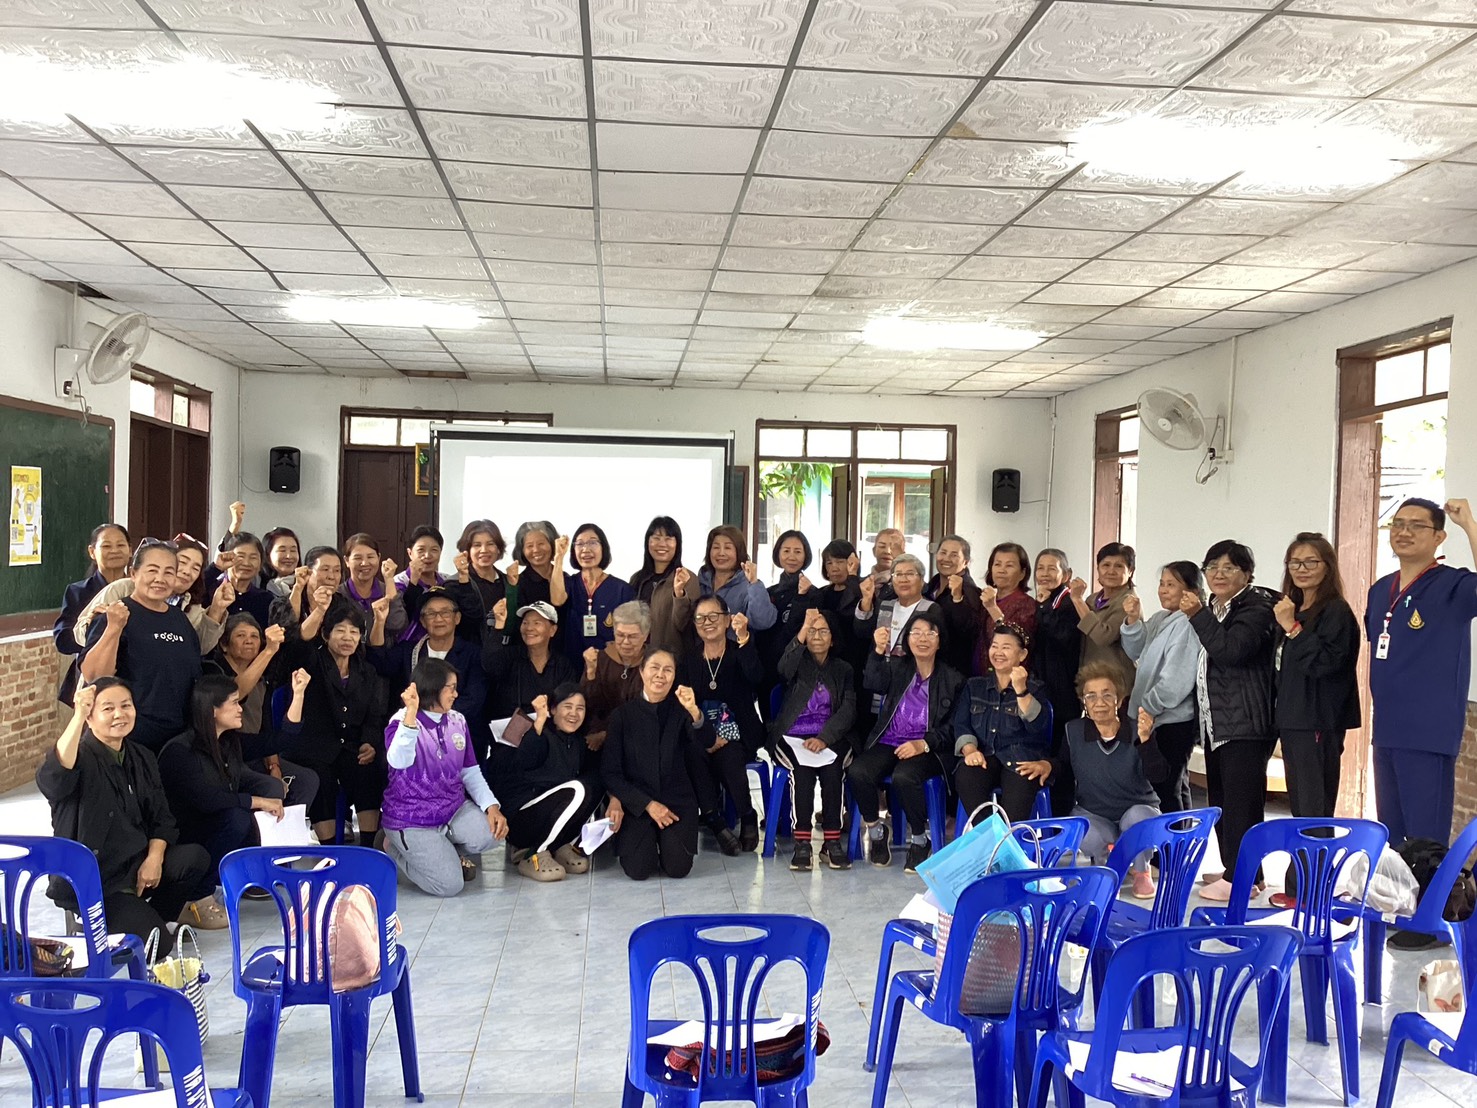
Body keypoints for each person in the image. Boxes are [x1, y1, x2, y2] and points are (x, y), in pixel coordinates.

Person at [37, 680, 213, 953]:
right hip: (97, 880)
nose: (119, 714)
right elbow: (53, 779)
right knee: (158, 947)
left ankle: (154, 916)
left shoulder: (141, 756)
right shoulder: (79, 756)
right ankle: (101, 922)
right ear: (91, 717)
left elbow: (161, 818)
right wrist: (77, 716)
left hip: (135, 864)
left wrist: (154, 859)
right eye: (108, 708)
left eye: (126, 706)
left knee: (194, 858)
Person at [1366, 498, 1477, 847]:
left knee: (1425, 841)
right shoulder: (1381, 589)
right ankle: (1399, 902)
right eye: (1398, 524)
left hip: (1428, 734)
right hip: (1386, 730)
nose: (1404, 532)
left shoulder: (1453, 586)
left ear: (1439, 537)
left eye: (1417, 525)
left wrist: (1470, 524)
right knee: (1392, 837)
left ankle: (1429, 903)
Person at [1018, 662, 1166, 900]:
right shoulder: (1073, 731)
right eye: (1091, 696)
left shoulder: (1137, 729)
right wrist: (1048, 765)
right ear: (1083, 701)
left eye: (1107, 695)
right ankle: (1104, 865)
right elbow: (1063, 766)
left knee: (1139, 819)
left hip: (1137, 808)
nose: (1099, 702)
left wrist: (1146, 740)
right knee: (1084, 832)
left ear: (1119, 700)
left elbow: (1159, 775)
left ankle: (1141, 869)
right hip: (1095, 812)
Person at [1185, 540, 1277, 903]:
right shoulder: (1215, 606)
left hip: (1246, 722)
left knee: (1243, 803)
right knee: (1223, 799)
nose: (1218, 574)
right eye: (1212, 567)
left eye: (1229, 568)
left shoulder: (1257, 607)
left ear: (1247, 574)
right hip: (1217, 722)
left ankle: (1240, 876)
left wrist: (1197, 616)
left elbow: (1231, 651)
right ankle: (1241, 871)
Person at [158, 672, 305, 892]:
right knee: (238, 817)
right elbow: (207, 800)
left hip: (214, 823)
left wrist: (299, 694)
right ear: (212, 710)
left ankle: (249, 878)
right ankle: (199, 891)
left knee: (242, 815)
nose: (241, 709)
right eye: (235, 703)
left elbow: (283, 739)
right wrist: (259, 801)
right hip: (185, 835)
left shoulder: (229, 742)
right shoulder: (180, 751)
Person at [847, 608, 963, 873]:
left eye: (930, 633)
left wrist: (924, 744)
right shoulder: (898, 667)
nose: (922, 639)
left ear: (939, 640)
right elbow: (872, 682)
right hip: (890, 740)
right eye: (916, 633)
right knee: (858, 771)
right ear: (907, 639)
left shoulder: (953, 679)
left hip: (928, 748)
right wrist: (877, 652)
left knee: (904, 777)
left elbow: (955, 726)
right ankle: (877, 833)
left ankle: (920, 839)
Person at [382, 660, 508, 896]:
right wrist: (411, 714)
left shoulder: (457, 720)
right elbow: (398, 762)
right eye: (450, 687)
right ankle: (394, 849)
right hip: (411, 819)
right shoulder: (400, 721)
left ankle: (442, 852)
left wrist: (491, 807)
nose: (456, 694)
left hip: (452, 810)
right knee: (450, 886)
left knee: (493, 835)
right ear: (432, 687)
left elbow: (470, 770)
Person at [279, 592, 387, 846]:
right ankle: (329, 850)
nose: (347, 637)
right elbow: (294, 647)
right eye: (340, 631)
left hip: (350, 746)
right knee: (322, 780)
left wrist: (369, 742)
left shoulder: (366, 670)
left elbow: (374, 714)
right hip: (312, 747)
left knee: (367, 771)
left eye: (354, 631)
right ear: (326, 635)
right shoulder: (311, 661)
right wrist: (318, 610)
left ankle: (369, 846)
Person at [602, 652, 715, 881]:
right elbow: (610, 772)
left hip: (677, 801)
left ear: (674, 677)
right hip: (637, 803)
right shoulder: (622, 716)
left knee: (678, 869)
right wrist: (647, 804)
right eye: (654, 667)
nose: (660, 675)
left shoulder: (682, 712)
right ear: (642, 672)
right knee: (638, 870)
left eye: (668, 670)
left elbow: (708, 742)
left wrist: (694, 710)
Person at [81, 540, 203, 753]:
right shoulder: (116, 615)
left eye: (168, 573)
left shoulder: (179, 619)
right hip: (131, 737)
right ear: (133, 573)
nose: (160, 579)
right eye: (152, 570)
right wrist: (113, 629)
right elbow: (95, 676)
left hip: (177, 738)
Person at [771, 608, 856, 871]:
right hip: (792, 735)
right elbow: (783, 668)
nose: (817, 636)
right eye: (812, 631)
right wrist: (802, 629)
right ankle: (802, 842)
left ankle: (831, 842)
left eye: (823, 631)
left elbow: (849, 709)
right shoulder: (797, 662)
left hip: (830, 737)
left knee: (833, 772)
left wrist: (824, 738)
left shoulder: (844, 669)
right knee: (803, 774)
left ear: (833, 638)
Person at [679, 596, 766, 853]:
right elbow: (683, 703)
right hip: (700, 731)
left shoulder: (740, 650)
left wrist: (744, 639)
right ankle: (715, 822)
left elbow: (756, 678)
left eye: (714, 616)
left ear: (727, 619)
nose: (707, 623)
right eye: (701, 618)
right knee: (693, 754)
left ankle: (746, 815)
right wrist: (707, 736)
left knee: (728, 757)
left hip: (739, 731)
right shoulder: (689, 659)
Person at [499, 685, 608, 883]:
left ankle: (560, 845)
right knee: (577, 788)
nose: (573, 713)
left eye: (580, 708)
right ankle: (532, 854)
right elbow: (525, 760)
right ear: (553, 709)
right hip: (523, 818)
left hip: (550, 817)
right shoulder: (540, 733)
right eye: (567, 706)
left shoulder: (577, 742)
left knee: (595, 783)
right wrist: (539, 720)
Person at [211, 613, 319, 810]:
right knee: (270, 787)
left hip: (256, 750)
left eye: (254, 636)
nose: (249, 641)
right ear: (224, 644)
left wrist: (274, 766)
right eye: (241, 636)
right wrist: (269, 651)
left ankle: (287, 836)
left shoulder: (263, 678)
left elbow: (266, 725)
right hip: (227, 752)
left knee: (306, 780)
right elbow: (238, 691)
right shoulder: (215, 672)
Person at [1122, 562, 1204, 813]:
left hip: (1172, 720)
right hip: (1152, 716)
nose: (1163, 590)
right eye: (1162, 584)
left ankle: (1171, 850)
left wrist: (1148, 706)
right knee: (1175, 787)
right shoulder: (1161, 618)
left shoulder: (1188, 623)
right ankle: (1180, 846)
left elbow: (1176, 680)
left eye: (1171, 585)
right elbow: (1135, 651)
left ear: (1191, 591)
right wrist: (1134, 621)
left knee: (1167, 789)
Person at [369, 586, 489, 756]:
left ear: (457, 618)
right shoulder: (409, 651)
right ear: (423, 622)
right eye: (431, 614)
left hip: (458, 741)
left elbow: (473, 700)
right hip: (414, 740)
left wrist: (429, 720)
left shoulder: (473, 654)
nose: (438, 618)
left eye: (445, 612)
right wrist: (379, 622)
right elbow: (380, 662)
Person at [953, 623, 1051, 824]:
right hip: (984, 755)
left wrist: (1021, 690)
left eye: (1006, 647)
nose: (998, 652)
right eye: (994, 646)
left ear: (1022, 655)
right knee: (965, 775)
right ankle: (996, 837)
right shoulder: (974, 686)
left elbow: (1037, 727)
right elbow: (962, 724)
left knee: (1015, 810)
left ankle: (1000, 844)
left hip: (1021, 759)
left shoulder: (1036, 688)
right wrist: (970, 750)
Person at [73, 534, 231, 658]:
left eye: (196, 568)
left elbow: (199, 648)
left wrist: (217, 609)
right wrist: (100, 626)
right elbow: (79, 633)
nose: (187, 571)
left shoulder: (191, 609)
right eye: (182, 562)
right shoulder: (122, 589)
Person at [54, 522, 131, 705]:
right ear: (92, 552)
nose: (114, 551)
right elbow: (63, 640)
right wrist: (91, 626)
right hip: (93, 680)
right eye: (106, 546)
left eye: (120, 545)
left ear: (130, 550)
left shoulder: (138, 590)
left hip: (134, 677)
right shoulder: (78, 592)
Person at [1033, 548, 1083, 816]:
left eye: (1052, 568)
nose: (1044, 574)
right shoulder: (1046, 602)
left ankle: (1062, 817)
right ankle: (1046, 817)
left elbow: (1064, 638)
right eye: (1040, 568)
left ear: (1066, 574)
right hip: (1043, 690)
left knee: (1061, 759)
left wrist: (1042, 608)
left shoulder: (1068, 604)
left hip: (1063, 693)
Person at [481, 599, 579, 722]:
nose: (529, 628)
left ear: (552, 630)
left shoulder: (562, 666)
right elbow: (489, 665)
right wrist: (499, 625)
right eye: (525, 623)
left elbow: (567, 704)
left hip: (548, 734)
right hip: (509, 735)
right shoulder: (511, 656)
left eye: (537, 623)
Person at [581, 599, 650, 745]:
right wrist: (591, 673)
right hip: (596, 738)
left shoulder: (653, 662)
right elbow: (588, 705)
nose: (625, 642)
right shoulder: (599, 659)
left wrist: (608, 734)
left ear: (645, 635)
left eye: (632, 636)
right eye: (620, 635)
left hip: (639, 739)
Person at [563, 522, 636, 661]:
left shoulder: (622, 589)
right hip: (572, 667)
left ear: (604, 548)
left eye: (593, 543)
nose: (586, 549)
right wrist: (559, 556)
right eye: (579, 544)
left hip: (610, 667)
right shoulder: (568, 584)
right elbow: (557, 600)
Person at [761, 530, 821, 691]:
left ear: (805, 555)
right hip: (769, 668)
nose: (792, 557)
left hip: (799, 669)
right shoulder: (769, 592)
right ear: (778, 554)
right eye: (786, 551)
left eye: (798, 551)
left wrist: (801, 597)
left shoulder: (814, 594)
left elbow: (796, 630)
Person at [1069, 542, 1137, 682]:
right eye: (1106, 565)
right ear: (1098, 569)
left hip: (1116, 684)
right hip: (1089, 678)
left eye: (1119, 566)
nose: (1111, 571)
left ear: (1130, 571)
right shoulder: (1093, 599)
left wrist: (1077, 600)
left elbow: (1103, 636)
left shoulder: (1129, 603)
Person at [628, 516, 695, 655]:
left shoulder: (687, 578)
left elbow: (686, 625)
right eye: (656, 538)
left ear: (678, 544)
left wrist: (679, 594)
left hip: (672, 662)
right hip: (639, 660)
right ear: (648, 542)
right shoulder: (637, 579)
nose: (662, 544)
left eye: (668, 538)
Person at [697, 525, 776, 633]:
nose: (721, 553)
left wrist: (754, 583)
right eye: (716, 547)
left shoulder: (749, 586)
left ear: (739, 552)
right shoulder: (699, 581)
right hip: (699, 649)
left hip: (734, 648)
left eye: (728, 548)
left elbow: (763, 622)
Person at [924, 534, 983, 677]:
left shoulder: (971, 591)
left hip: (954, 672)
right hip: (930, 666)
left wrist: (958, 599)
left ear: (966, 562)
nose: (946, 559)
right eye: (943, 552)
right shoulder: (931, 586)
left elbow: (969, 631)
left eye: (954, 555)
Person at [977, 541, 1038, 672]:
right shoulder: (984, 598)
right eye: (997, 564)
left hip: (1011, 679)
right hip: (981, 677)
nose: (1002, 570)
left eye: (1009, 566)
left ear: (1022, 573)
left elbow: (1016, 638)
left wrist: (993, 608)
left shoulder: (1027, 605)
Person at [445, 519, 506, 645]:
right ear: (466, 550)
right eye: (477, 545)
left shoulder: (507, 582)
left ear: (499, 549)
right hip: (469, 656)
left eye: (490, 544)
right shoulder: (453, 584)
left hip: (503, 654)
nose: (484, 550)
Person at [340, 532, 408, 637]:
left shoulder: (389, 590)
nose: (364, 563)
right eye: (358, 558)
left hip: (384, 652)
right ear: (347, 561)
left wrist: (389, 580)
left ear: (379, 557)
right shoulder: (338, 594)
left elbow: (397, 625)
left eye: (370, 557)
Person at [269, 545, 343, 631]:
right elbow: (286, 631)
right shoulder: (280, 604)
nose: (331, 576)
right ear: (307, 571)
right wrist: (298, 588)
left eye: (337, 570)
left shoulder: (344, 606)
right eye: (325, 569)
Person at [395, 524, 450, 639]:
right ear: (410, 553)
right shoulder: (399, 582)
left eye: (434, 550)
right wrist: (414, 581)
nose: (427, 555)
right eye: (421, 550)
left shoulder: (447, 581)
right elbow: (401, 619)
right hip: (408, 646)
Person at [507, 520, 569, 613]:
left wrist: (559, 558)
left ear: (552, 544)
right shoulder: (519, 583)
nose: (536, 550)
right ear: (522, 550)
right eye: (529, 546)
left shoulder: (566, 577)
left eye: (541, 544)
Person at [218, 532, 274, 626]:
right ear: (227, 558)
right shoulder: (213, 591)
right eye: (240, 556)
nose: (246, 563)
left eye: (253, 558)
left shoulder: (266, 599)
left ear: (261, 564)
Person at [262, 526, 301, 598]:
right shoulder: (258, 586)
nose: (289, 556)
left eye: (293, 550)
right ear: (267, 555)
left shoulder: (307, 586)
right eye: (282, 550)